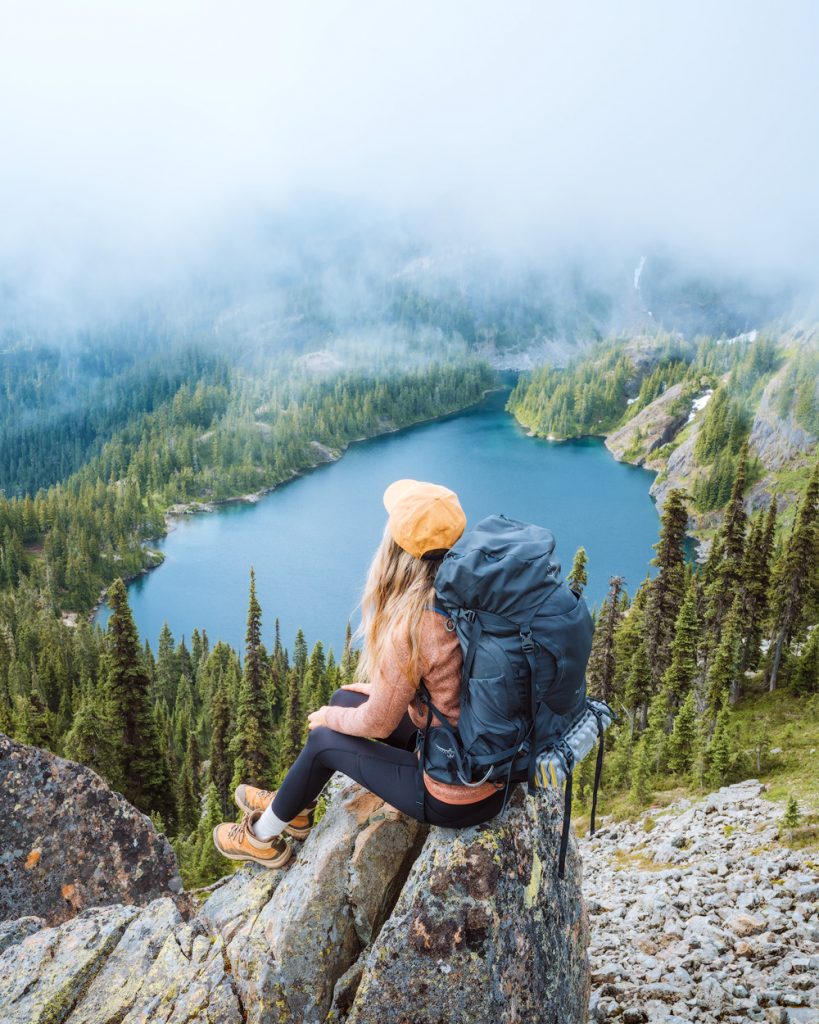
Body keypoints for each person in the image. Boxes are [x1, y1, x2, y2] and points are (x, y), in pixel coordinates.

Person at [212, 479, 508, 868]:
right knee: (345, 698)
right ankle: (295, 807)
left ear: (398, 550)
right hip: (482, 758)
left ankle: (261, 836)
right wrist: (372, 692)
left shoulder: (414, 622)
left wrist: (331, 719)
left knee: (323, 737)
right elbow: (449, 678)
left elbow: (381, 724)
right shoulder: (471, 589)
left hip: (455, 794)